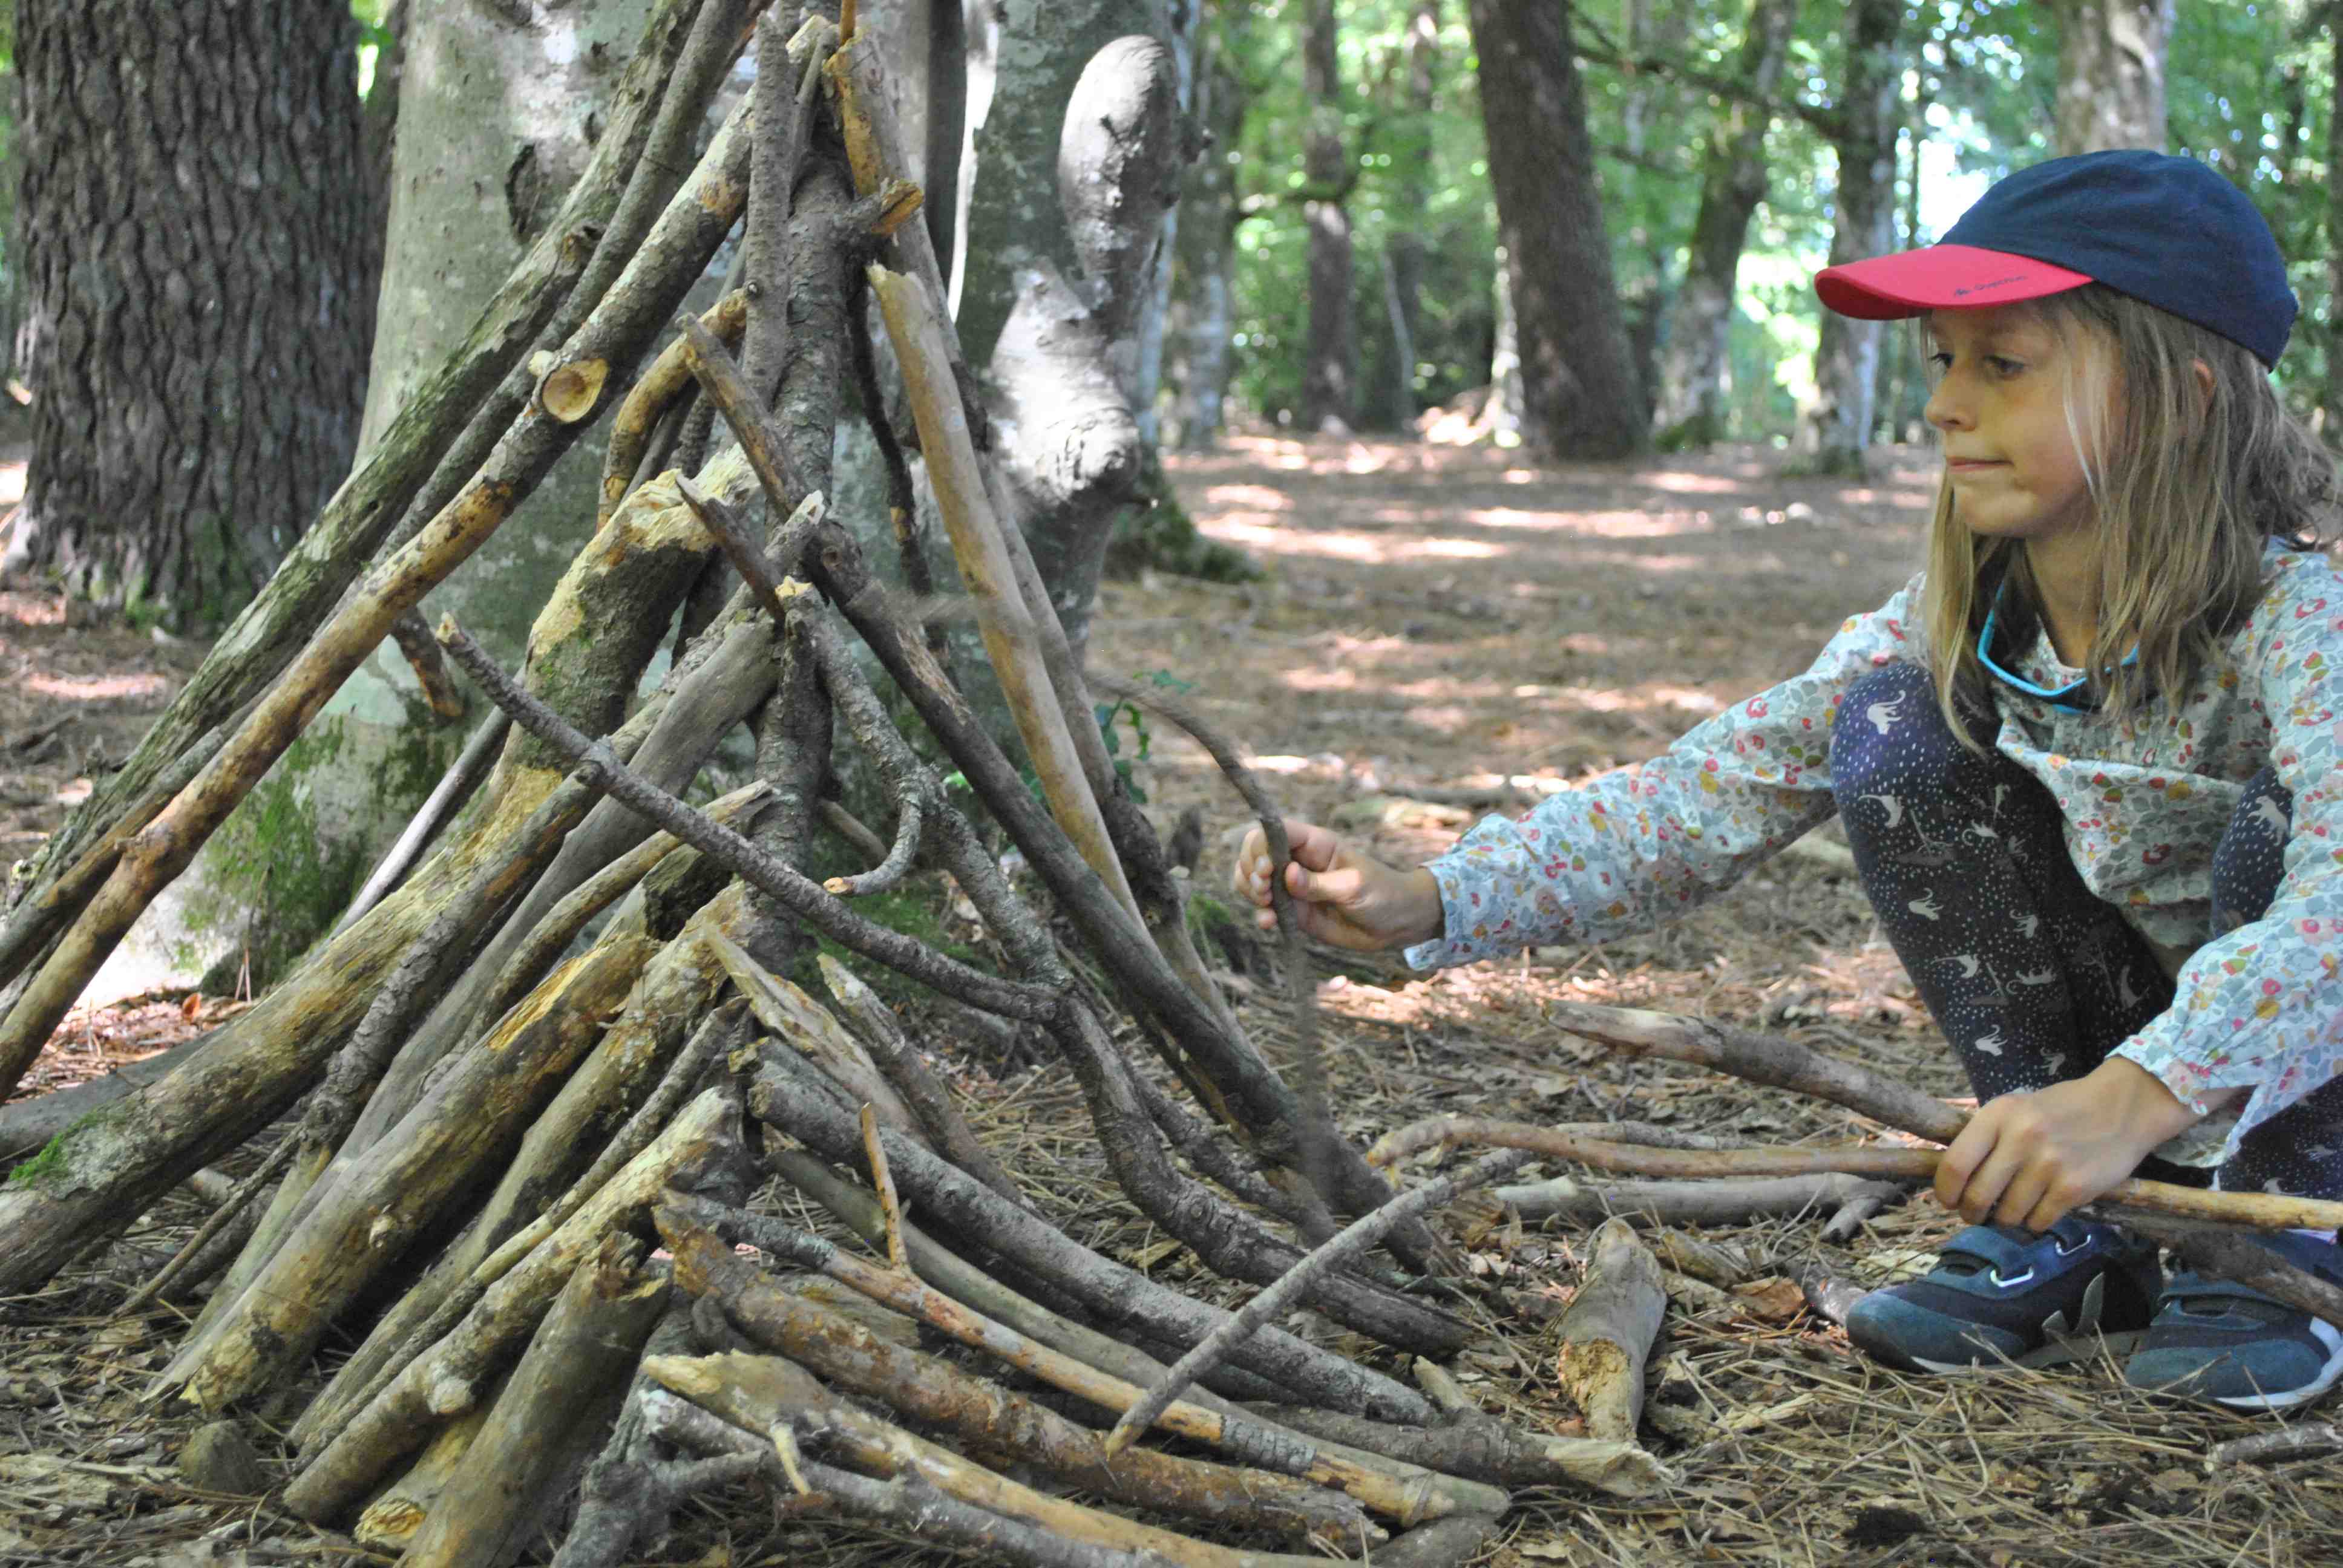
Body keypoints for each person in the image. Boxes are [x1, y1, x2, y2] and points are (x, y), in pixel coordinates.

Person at [1232, 149, 2343, 1412]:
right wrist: (1434, 897)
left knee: (2294, 840)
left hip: (2286, 1082)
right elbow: (1713, 788)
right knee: (1891, 729)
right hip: (2108, 1113)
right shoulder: (1968, 618)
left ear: (2185, 397)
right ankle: (2069, 1218)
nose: (1942, 407)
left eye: (2004, 364)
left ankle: (2282, 1229)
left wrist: (2143, 1093)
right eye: (1940, 362)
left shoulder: (2303, 619)